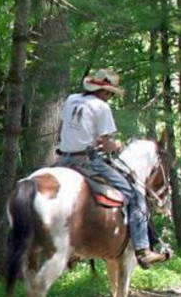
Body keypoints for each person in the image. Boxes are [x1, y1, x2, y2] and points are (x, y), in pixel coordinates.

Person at [57, 68, 169, 269]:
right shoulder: (101, 107)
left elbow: (68, 127)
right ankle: (143, 249)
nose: (109, 97)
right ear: (106, 92)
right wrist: (118, 146)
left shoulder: (72, 99)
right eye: (110, 94)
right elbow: (107, 143)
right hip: (88, 161)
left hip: (64, 159)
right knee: (135, 195)